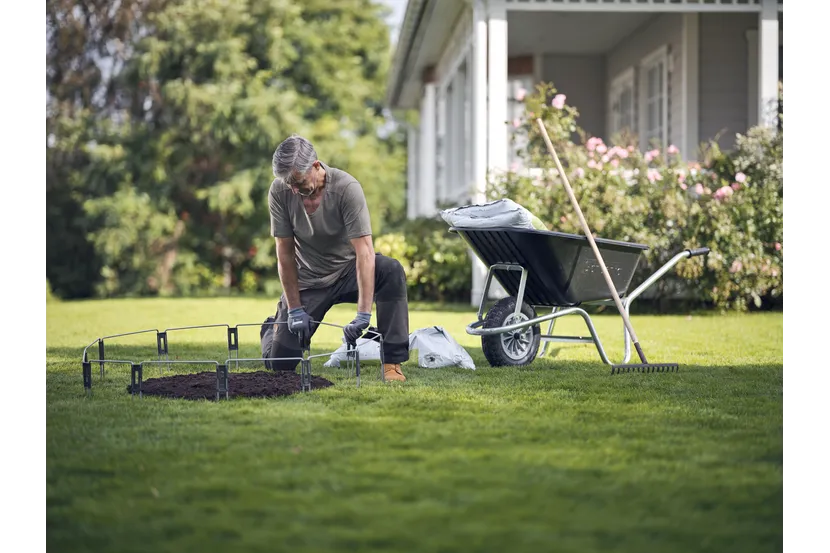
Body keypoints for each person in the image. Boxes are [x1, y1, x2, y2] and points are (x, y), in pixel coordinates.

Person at [259, 135, 409, 382]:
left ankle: (392, 363)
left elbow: (365, 252)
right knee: (280, 366)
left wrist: (363, 315)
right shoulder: (279, 191)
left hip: (348, 272)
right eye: (289, 184)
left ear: (315, 166)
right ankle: (271, 327)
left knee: (390, 270)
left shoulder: (346, 188)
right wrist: (295, 309)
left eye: (298, 181)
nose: (294, 190)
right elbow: (284, 253)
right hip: (309, 280)